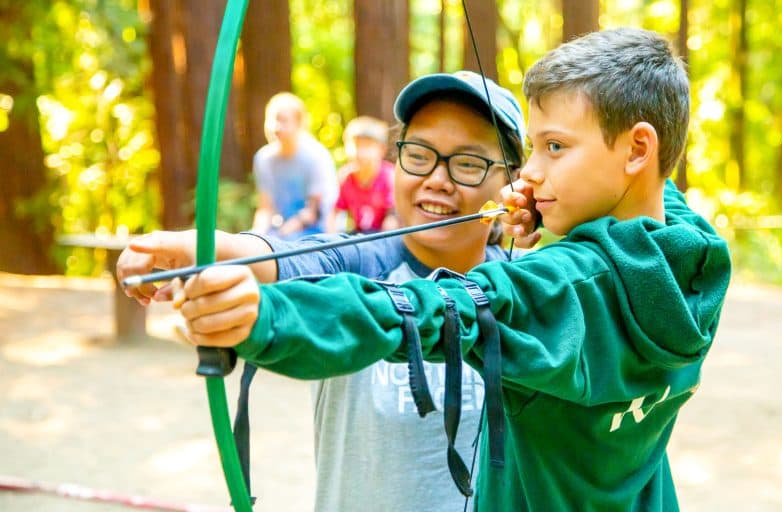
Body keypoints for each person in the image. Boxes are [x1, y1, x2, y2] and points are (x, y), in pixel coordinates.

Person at [170, 28, 733, 511]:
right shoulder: (691, 259)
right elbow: (653, 196)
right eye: (532, 151)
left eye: (554, 147)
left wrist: (264, 317)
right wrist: (561, 206)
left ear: (637, 149)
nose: (532, 175)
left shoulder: (557, 286)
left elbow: (439, 307)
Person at [118, 72, 527, 511]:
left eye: (467, 163)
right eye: (419, 154)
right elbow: (285, 259)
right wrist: (194, 249)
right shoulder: (359, 262)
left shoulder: (524, 287)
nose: (437, 179)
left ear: (512, 183)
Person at [251, 92, 338, 239]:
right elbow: (265, 208)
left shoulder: (316, 156)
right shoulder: (263, 159)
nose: (277, 127)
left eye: (284, 121)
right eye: (273, 120)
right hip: (279, 231)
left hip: (315, 231)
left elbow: (314, 212)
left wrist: (282, 234)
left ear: (299, 123)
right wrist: (255, 235)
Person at [329, 115, 398, 233]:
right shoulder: (345, 178)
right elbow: (333, 215)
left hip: (384, 236)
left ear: (381, 149)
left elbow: (393, 220)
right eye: (355, 145)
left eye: (366, 146)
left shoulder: (390, 177)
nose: (359, 152)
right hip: (359, 235)